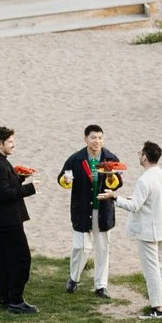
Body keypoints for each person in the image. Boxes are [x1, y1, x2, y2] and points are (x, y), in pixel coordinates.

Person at [58, 122, 119, 298]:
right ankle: (74, 277)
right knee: (81, 247)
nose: (97, 141)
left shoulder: (110, 158)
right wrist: (66, 181)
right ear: (85, 139)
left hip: (103, 210)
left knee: (102, 248)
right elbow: (63, 178)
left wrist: (111, 177)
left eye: (100, 138)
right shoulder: (75, 159)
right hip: (81, 209)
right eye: (93, 138)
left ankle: (101, 285)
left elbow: (117, 183)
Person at [0, 125, 37, 315]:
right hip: (8, 220)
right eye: (10, 142)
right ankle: (16, 300)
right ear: (0, 144)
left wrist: (19, 178)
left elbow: (3, 187)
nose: (13, 145)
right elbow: (4, 194)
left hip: (0, 220)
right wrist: (31, 188)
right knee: (22, 259)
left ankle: (5, 298)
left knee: (3, 259)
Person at [118, 140, 162, 319]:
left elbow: (134, 206)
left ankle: (158, 308)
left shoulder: (144, 179)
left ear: (145, 157)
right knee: (160, 267)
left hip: (147, 232)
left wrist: (115, 198)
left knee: (151, 270)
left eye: (140, 153)